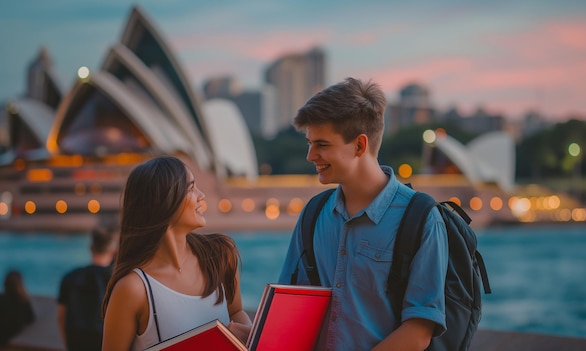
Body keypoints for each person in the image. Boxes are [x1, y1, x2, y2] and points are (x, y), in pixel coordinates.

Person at [278, 77, 448, 351]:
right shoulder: (312, 214)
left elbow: (419, 331)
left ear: (359, 145)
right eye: (309, 143)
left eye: (321, 144)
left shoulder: (421, 219)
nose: (311, 155)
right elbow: (288, 307)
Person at [101, 155, 251, 351]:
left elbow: (236, 311)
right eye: (191, 188)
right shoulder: (133, 288)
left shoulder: (221, 255)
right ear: (163, 201)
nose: (201, 195)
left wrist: (249, 332)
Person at [57, 225, 119, 351]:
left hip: (76, 342)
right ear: (113, 251)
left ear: (91, 248)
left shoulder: (70, 277)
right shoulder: (116, 281)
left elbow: (61, 317)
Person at [0, 270, 35, 346]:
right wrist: (25, 296)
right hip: (7, 340)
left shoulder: (2, 299)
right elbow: (31, 319)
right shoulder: (20, 302)